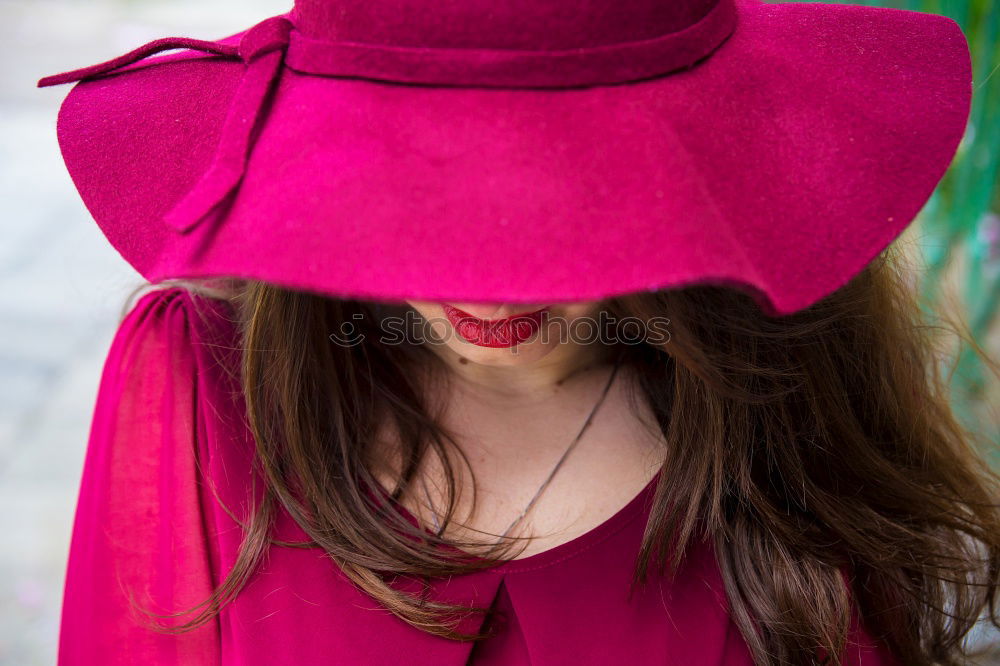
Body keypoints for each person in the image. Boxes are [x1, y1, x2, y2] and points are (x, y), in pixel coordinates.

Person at [38, 0, 999, 663]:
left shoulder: (791, 395)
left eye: (565, 201)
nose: (489, 293)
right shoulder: (198, 382)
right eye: (425, 197)